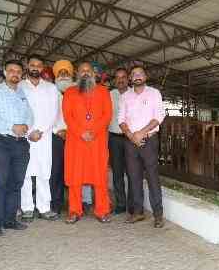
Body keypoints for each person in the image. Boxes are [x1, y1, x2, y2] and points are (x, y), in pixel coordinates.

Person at [0, 59, 33, 237]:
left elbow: (30, 115)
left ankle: (10, 219)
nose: (15, 74)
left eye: (18, 71)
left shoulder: (22, 93)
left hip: (20, 143)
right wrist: (12, 126)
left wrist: (26, 126)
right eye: (11, 70)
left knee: (16, 182)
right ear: (5, 72)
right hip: (1, 140)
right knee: (0, 182)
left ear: (21, 74)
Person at [62, 61, 112, 224]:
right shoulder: (69, 92)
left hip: (97, 142)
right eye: (82, 70)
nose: (85, 73)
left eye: (88, 70)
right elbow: (67, 116)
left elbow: (107, 115)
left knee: (99, 176)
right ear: (77, 74)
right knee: (75, 177)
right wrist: (81, 132)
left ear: (94, 73)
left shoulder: (103, 91)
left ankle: (102, 210)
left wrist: (94, 131)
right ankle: (75, 211)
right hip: (76, 141)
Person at [119, 65, 166, 228]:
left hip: (149, 140)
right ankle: (138, 212)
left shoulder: (154, 93)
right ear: (130, 79)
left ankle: (158, 214)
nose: (137, 76)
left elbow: (158, 117)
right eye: (134, 74)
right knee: (134, 177)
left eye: (140, 74)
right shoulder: (125, 96)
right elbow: (121, 120)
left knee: (153, 177)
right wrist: (132, 136)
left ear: (145, 77)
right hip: (130, 142)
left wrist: (141, 133)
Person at [19, 55, 60, 222]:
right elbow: (16, 112)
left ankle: (44, 207)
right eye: (32, 64)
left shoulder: (51, 88)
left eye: (38, 65)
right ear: (27, 66)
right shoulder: (19, 87)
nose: (35, 67)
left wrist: (41, 130)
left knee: (44, 173)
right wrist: (29, 132)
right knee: (26, 174)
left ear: (43, 68)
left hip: (44, 136)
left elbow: (54, 112)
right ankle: (27, 208)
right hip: (24, 136)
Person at [50, 59, 74, 214]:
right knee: (56, 171)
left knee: (73, 171)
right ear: (56, 76)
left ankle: (74, 204)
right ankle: (56, 204)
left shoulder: (77, 91)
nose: (63, 75)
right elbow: (45, 115)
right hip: (56, 136)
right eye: (60, 73)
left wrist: (72, 131)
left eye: (66, 73)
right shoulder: (50, 91)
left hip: (75, 137)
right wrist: (58, 130)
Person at [109, 68, 133, 215]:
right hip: (114, 138)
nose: (120, 80)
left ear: (128, 79)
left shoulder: (134, 94)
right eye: (117, 78)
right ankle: (121, 203)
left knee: (132, 172)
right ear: (114, 81)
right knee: (117, 172)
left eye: (123, 77)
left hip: (130, 138)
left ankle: (132, 204)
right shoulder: (110, 95)